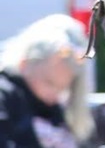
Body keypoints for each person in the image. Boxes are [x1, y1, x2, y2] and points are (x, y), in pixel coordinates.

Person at [0, 15, 94, 148]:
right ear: (24, 64)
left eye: (62, 89)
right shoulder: (6, 98)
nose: (55, 96)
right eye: (49, 83)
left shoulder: (56, 111)